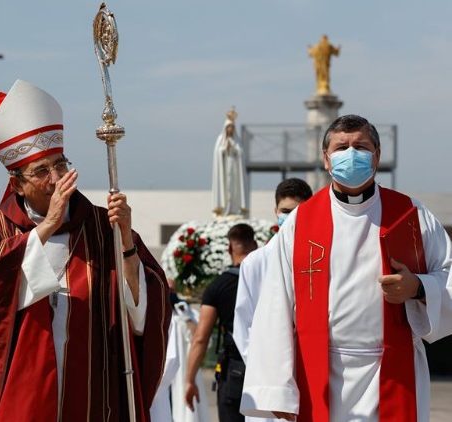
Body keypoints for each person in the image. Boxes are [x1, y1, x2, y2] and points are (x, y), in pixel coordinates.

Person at [0, 79, 170, 421]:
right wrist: (46, 227)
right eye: (41, 171)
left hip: (93, 379)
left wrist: (127, 243)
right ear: (17, 184)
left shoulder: (103, 227)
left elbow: (139, 310)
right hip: (26, 383)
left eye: (60, 164)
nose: (56, 177)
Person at [241, 114, 452, 421]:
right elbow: (275, 304)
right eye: (341, 147)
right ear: (326, 159)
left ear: (377, 156)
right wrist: (278, 389)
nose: (351, 154)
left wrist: (418, 287)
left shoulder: (411, 214)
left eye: (361, 146)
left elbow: (448, 274)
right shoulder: (301, 222)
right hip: (322, 371)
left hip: (393, 371)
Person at [232, 178, 313, 364]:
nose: (291, 217)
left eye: (298, 210)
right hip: (268, 361)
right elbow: (244, 322)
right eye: (285, 211)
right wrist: (259, 367)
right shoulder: (255, 262)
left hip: (310, 360)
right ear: (276, 212)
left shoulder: (321, 257)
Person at [184, 224, 257, 421]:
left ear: (229, 248)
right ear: (256, 245)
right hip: (264, 366)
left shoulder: (218, 286)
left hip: (234, 369)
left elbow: (200, 338)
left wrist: (189, 380)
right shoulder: (268, 278)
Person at [212, 107, 247, 217]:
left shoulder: (237, 140)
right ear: (225, 128)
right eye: (228, 127)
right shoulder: (220, 139)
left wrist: (234, 149)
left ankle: (235, 209)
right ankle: (224, 208)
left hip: (235, 167)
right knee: (226, 188)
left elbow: (241, 153)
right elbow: (217, 153)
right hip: (224, 167)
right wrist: (224, 149)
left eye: (232, 127)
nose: (230, 130)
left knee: (234, 189)